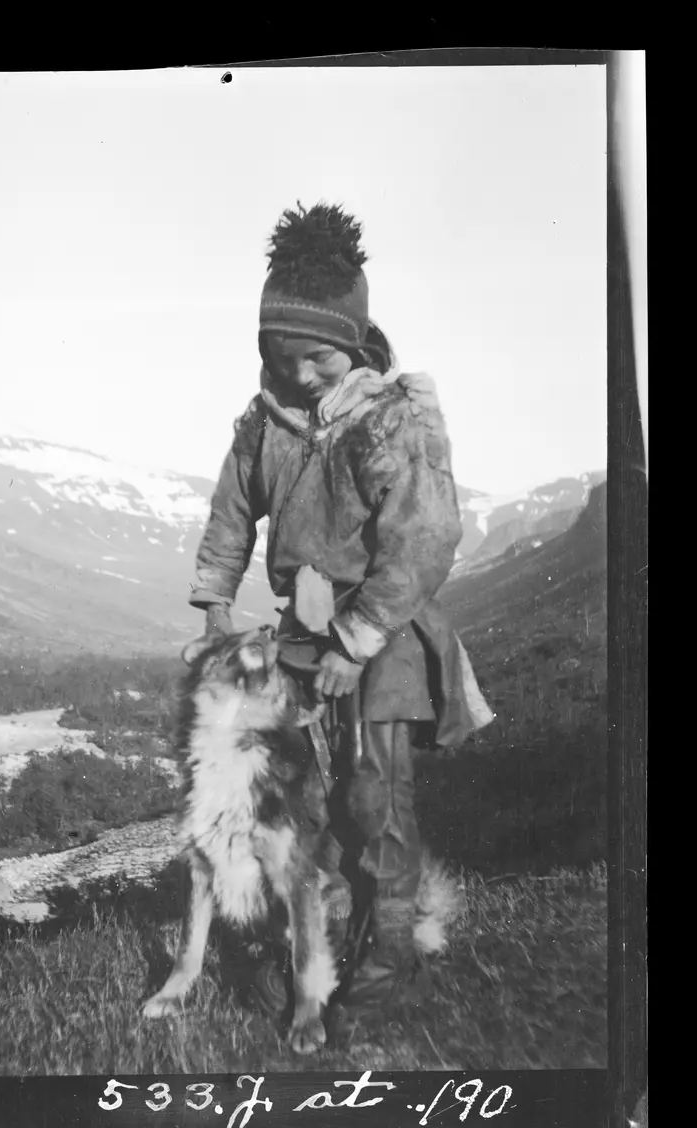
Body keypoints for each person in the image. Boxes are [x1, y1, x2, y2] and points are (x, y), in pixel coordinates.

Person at [188, 202, 494, 1008]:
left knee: (373, 794)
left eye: (317, 359)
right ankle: (317, 947)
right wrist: (215, 601)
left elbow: (424, 539)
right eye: (282, 359)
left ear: (352, 343)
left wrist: (353, 640)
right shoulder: (264, 427)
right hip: (301, 634)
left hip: (382, 635)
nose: (300, 376)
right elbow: (230, 513)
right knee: (308, 800)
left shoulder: (394, 419)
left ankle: (393, 955)